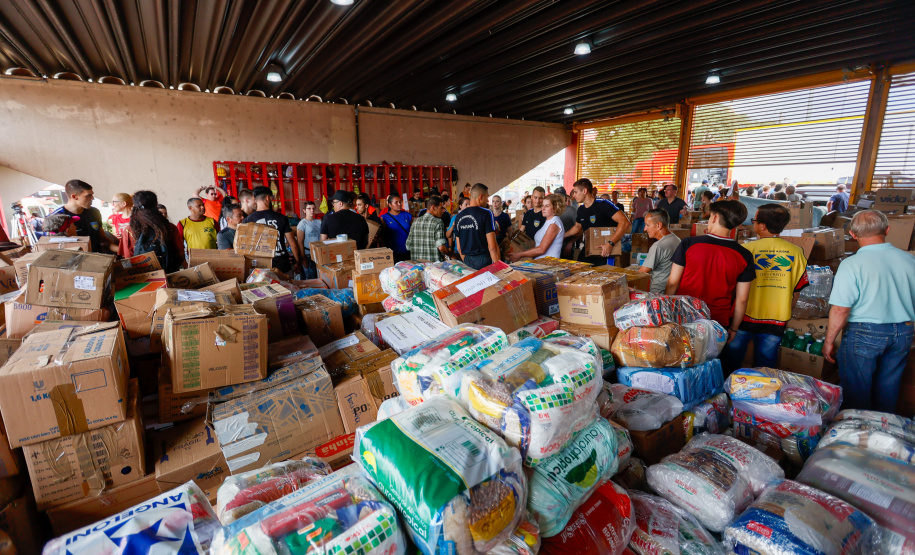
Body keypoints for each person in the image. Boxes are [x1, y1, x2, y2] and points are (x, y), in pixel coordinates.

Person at [824, 210, 915, 412]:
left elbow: (841, 309)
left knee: (857, 392)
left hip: (864, 333)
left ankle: (859, 437)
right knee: (888, 388)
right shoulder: (910, 260)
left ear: (853, 234)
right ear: (887, 230)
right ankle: (882, 432)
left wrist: (829, 341)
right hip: (903, 332)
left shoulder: (851, 265)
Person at [723, 204, 809, 372]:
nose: (753, 224)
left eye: (754, 221)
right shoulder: (797, 252)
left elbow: (732, 287)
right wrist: (786, 310)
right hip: (776, 318)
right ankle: (759, 396)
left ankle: (728, 394)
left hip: (743, 317)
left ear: (762, 226)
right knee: (765, 367)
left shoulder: (745, 250)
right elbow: (797, 290)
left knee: (731, 363)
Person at [666, 200, 755, 335]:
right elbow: (742, 299)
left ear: (714, 217)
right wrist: (734, 328)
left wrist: (666, 313)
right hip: (718, 321)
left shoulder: (689, 244)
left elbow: (672, 283)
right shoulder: (744, 255)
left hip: (684, 315)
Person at [564, 178, 631, 264]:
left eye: (575, 192)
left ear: (584, 191)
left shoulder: (604, 204)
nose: (574, 195)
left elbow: (625, 222)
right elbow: (577, 227)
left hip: (605, 252)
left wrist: (610, 243)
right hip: (588, 250)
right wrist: (563, 235)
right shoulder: (581, 209)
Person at [243, 186, 304, 275]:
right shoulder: (281, 217)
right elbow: (293, 243)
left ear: (255, 200)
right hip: (283, 267)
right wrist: (298, 262)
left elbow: (245, 247)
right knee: (288, 288)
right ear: (268, 198)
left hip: (260, 269)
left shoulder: (248, 220)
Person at [123, 190, 183, 272]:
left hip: (143, 278)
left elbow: (127, 257)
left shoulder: (130, 229)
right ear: (156, 205)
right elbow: (180, 254)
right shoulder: (169, 227)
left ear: (135, 206)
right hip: (169, 275)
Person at [52, 179, 113, 253]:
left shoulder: (94, 212)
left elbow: (102, 239)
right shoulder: (56, 217)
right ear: (74, 196)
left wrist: (122, 251)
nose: (92, 198)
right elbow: (52, 248)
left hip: (97, 259)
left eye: (92, 194)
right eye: (88, 195)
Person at [453, 183, 500, 270]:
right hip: (484, 260)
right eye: (487, 197)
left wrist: (466, 261)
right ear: (480, 197)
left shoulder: (458, 216)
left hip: (466, 260)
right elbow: (492, 247)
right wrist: (499, 268)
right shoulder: (486, 213)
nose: (487, 201)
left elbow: (459, 247)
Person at [508, 194, 565, 261]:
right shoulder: (548, 221)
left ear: (555, 208)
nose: (543, 208)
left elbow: (542, 249)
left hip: (548, 265)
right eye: (543, 205)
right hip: (541, 262)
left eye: (547, 206)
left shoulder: (554, 223)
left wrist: (520, 254)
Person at [638, 209, 681, 294]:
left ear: (658, 225)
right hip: (674, 291)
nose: (645, 229)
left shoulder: (658, 246)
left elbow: (642, 272)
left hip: (658, 293)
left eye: (647, 225)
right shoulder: (677, 239)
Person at [406, 196, 453, 262]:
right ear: (433, 207)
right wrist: (451, 255)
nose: (443, 211)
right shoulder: (438, 222)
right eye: (441, 208)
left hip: (417, 265)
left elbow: (408, 246)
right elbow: (441, 248)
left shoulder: (415, 222)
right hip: (433, 267)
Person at [381, 194, 413, 262]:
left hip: (407, 251)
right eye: (396, 202)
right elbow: (382, 235)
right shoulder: (384, 218)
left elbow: (413, 231)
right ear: (390, 205)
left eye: (400, 202)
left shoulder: (407, 215)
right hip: (392, 252)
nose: (399, 204)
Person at [295, 201, 322, 279]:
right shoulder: (302, 223)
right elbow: (300, 241)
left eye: (313, 208)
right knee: (310, 277)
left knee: (319, 276)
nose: (312, 210)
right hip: (308, 254)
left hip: (318, 253)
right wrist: (303, 258)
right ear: (304, 210)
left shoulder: (319, 222)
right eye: (309, 209)